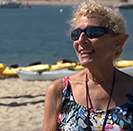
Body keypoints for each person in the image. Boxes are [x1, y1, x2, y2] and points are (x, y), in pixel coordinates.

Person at [43, 1, 133, 130]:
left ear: (118, 42)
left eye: (93, 32)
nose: (81, 40)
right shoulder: (60, 91)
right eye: (76, 34)